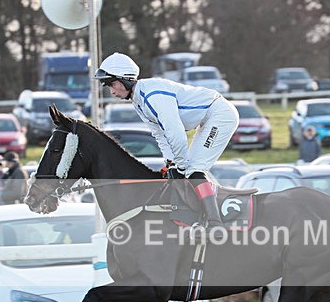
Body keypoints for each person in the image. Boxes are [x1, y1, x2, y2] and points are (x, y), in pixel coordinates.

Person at [95, 52, 239, 240]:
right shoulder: (138, 101)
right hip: (207, 118)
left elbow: (175, 133)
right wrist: (171, 163)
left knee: (193, 170)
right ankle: (200, 218)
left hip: (219, 114)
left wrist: (180, 165)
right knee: (185, 171)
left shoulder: (152, 95)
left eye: (112, 84)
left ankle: (215, 223)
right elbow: (160, 135)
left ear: (126, 79)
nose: (112, 91)